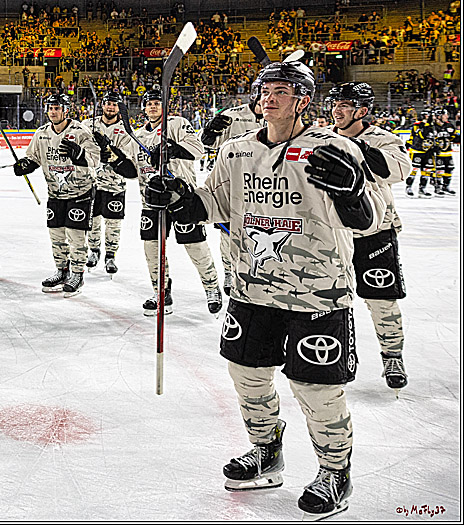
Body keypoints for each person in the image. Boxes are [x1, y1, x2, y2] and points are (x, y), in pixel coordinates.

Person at [145, 60, 381, 519]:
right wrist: (174, 195)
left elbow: (366, 219)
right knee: (246, 376)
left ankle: (335, 471)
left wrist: (353, 193)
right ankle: (266, 452)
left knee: (316, 387)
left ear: (303, 100)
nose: (269, 97)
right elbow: (208, 204)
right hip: (251, 288)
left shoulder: (331, 148)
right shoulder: (235, 151)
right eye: (263, 89)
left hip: (318, 292)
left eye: (282, 90)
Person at [328, 82, 412, 390]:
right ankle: (338, 357)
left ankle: (392, 355)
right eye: (334, 104)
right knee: (332, 299)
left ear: (362, 111)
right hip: (334, 233)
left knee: (382, 300)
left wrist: (357, 148)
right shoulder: (323, 140)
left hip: (376, 231)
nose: (336, 110)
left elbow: (398, 171)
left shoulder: (383, 139)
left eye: (344, 105)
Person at [128, 89, 221, 316]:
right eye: (149, 103)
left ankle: (212, 288)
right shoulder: (138, 136)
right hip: (151, 203)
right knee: (152, 250)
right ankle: (161, 292)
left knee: (195, 246)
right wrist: (110, 156)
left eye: (157, 102)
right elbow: (132, 170)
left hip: (182, 200)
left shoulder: (177, 124)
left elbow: (199, 150)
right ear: (144, 107)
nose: (153, 106)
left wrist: (171, 149)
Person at [12, 93, 100, 295]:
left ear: (66, 110)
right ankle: (62, 270)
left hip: (80, 191)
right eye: (50, 108)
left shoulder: (80, 130)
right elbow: (33, 157)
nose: (53, 111)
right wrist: (25, 165)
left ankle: (77, 273)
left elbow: (95, 158)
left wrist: (79, 154)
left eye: (57, 108)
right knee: (56, 235)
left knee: (76, 236)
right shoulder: (42, 133)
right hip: (55, 192)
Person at [199, 96, 264, 295]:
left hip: (264, 187)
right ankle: (229, 270)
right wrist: (209, 131)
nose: (269, 100)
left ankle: (258, 272)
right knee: (228, 233)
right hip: (232, 185)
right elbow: (207, 143)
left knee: (261, 235)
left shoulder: (279, 116)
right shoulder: (233, 115)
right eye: (264, 95)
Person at [81, 90, 138, 274]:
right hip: (91, 182)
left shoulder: (125, 130)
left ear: (118, 108)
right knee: (93, 220)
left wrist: (110, 150)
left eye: (114, 104)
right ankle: (94, 250)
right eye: (108, 103)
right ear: (102, 105)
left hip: (115, 183)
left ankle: (111, 255)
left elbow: (128, 156)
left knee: (113, 222)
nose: (110, 107)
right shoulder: (89, 124)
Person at [403, 111, 435, 197]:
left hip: (428, 151)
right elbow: (419, 135)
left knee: (426, 170)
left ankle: (422, 188)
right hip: (417, 150)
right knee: (414, 169)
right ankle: (409, 187)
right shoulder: (418, 125)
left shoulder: (433, 126)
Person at [429, 108, 458, 195]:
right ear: (439, 116)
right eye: (445, 115)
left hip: (448, 152)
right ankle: (437, 186)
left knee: (449, 168)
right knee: (439, 170)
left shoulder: (449, 126)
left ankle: (446, 186)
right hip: (438, 153)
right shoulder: (432, 127)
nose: (447, 116)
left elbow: (454, 137)